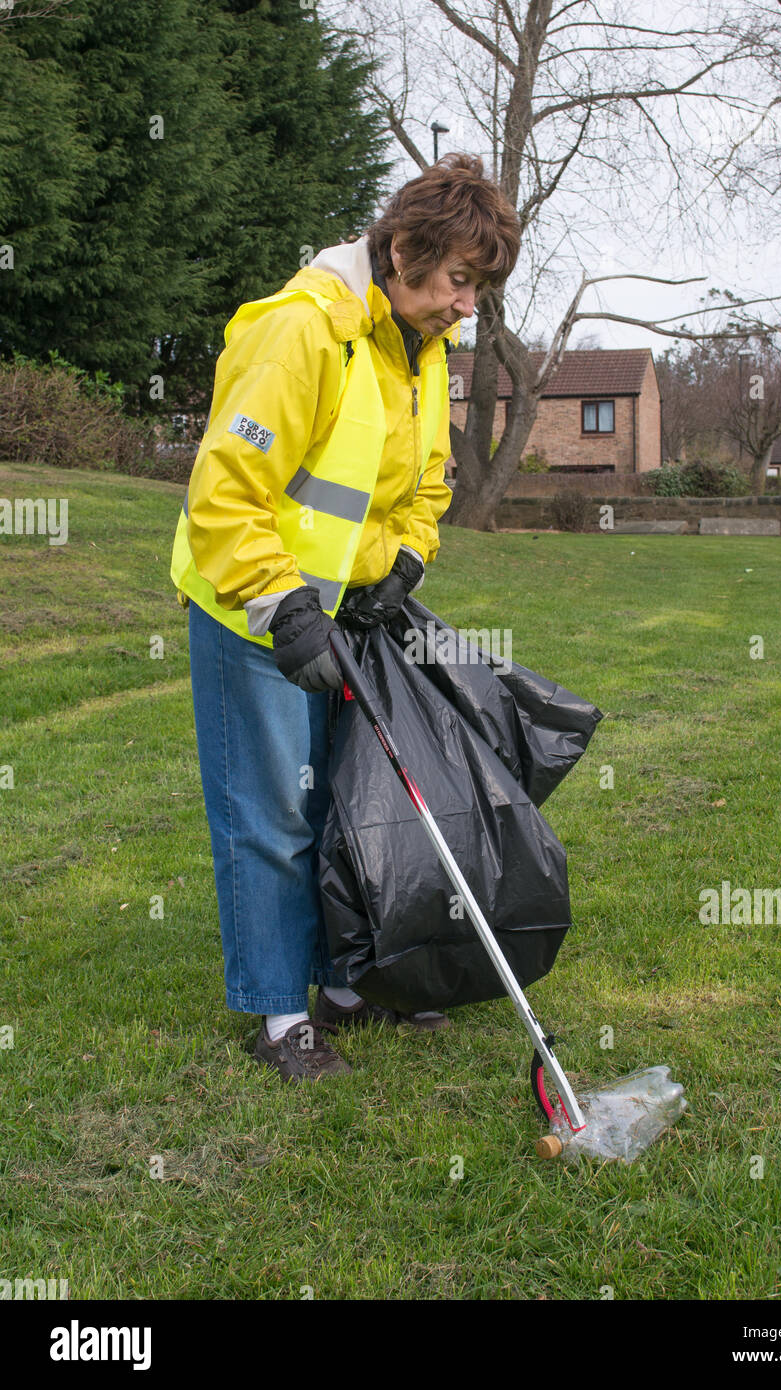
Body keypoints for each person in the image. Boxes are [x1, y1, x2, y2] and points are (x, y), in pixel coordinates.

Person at [169, 153, 522, 1082]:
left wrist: (404, 559)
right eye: (459, 278)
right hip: (257, 615)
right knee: (272, 809)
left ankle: (346, 985)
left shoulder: (421, 345)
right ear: (404, 248)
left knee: (343, 802)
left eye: (479, 287)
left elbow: (427, 479)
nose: (467, 304)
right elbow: (225, 491)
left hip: (351, 615)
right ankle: (281, 1014)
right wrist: (286, 607)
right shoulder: (301, 331)